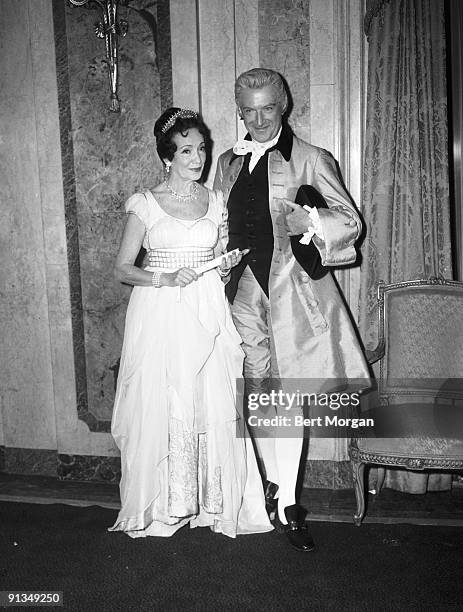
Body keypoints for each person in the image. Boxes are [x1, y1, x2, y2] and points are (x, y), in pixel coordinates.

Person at [214, 68, 370, 551]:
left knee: (288, 397)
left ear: (283, 106)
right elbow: (222, 221)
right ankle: (270, 489)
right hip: (240, 291)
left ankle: (288, 504)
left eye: (267, 108)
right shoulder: (227, 161)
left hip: (292, 294)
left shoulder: (311, 158)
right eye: (248, 110)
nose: (258, 119)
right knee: (256, 393)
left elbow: (351, 222)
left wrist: (314, 220)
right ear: (239, 110)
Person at [109, 107, 272, 538]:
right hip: (160, 310)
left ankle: (211, 502)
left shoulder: (215, 200)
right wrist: (162, 277)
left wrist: (224, 265)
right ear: (168, 156)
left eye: (201, 149)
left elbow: (216, 259)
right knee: (168, 401)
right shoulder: (144, 204)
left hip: (207, 308)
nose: (197, 158)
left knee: (210, 399)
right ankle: (167, 504)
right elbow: (123, 268)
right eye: (186, 150)